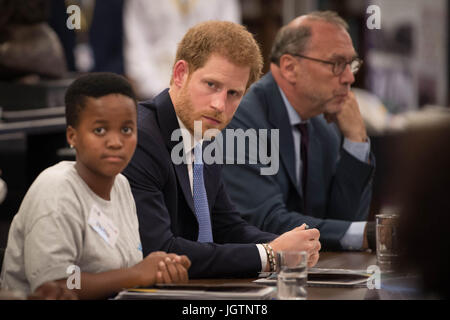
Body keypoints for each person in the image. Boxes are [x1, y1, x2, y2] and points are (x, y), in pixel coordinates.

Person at [123, 21, 321, 279]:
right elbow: (162, 251)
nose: (219, 105)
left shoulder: (203, 133)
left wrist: (292, 245)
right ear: (180, 74)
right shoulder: (142, 138)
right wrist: (270, 255)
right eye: (211, 85)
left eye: (233, 94)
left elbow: (226, 226)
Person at [0, 73, 191, 299]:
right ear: (72, 136)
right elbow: (57, 284)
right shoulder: (56, 190)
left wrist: (161, 270)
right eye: (100, 130)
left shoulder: (121, 185)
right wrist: (136, 275)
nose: (115, 142)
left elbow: (127, 272)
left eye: (127, 130)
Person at [221, 11, 376, 251]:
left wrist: (356, 141)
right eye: (336, 64)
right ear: (290, 67)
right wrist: (370, 234)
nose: (348, 78)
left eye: (351, 64)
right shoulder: (240, 116)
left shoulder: (322, 123)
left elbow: (343, 221)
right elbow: (266, 221)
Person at [123, 0, 241, 99]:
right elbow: (137, 48)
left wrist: (208, 87)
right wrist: (161, 94)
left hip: (209, 91)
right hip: (154, 91)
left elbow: (228, 41)